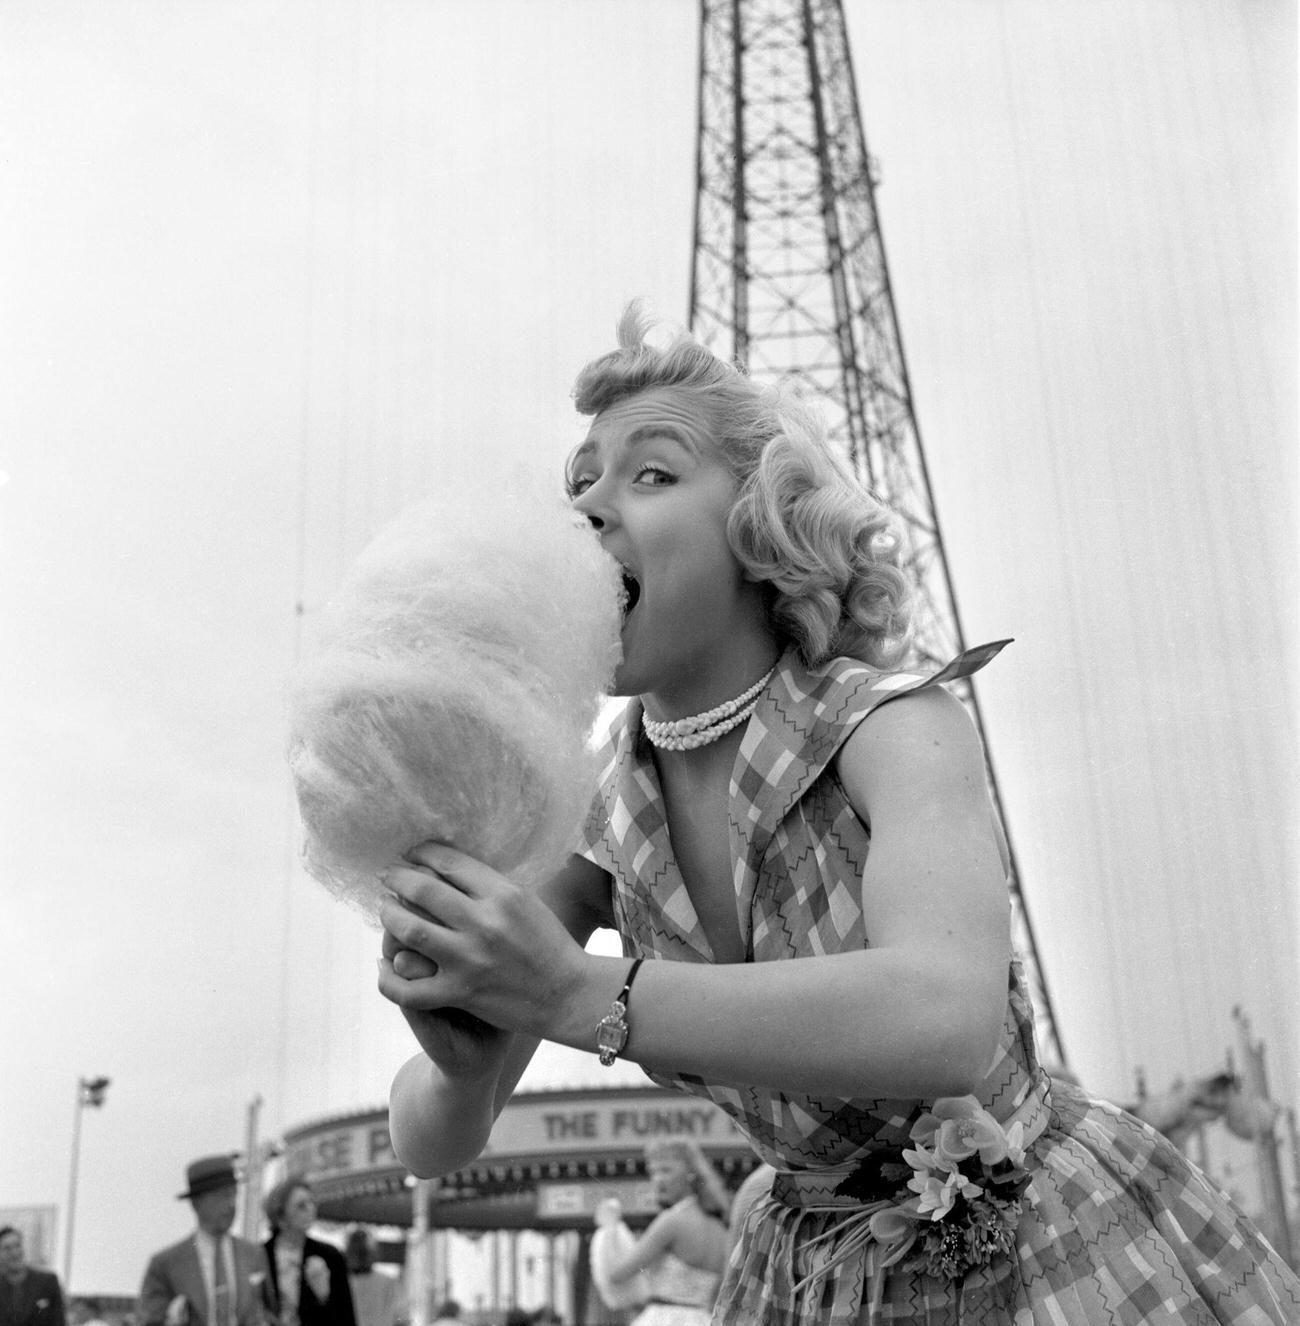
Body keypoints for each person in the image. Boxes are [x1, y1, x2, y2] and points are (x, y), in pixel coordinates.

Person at [375, 304, 1300, 1323]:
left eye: (650, 473)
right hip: (806, 1277)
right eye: (580, 481)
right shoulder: (595, 809)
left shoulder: (891, 724)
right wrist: (461, 1059)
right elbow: (428, 1141)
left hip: (1041, 1249)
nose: (591, 506)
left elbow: (944, 1017)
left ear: (759, 522)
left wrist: (565, 991)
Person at [590, 1138, 730, 1324]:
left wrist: (610, 1229)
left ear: (690, 1174)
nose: (657, 1179)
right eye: (653, 1172)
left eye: (666, 1170)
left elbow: (616, 1275)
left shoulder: (671, 1220)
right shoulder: (719, 1225)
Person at [138, 1156, 267, 1326]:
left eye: (234, 1194)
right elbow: (149, 1321)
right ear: (196, 1204)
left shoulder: (253, 1255)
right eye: (222, 1196)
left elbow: (268, 1312)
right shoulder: (165, 1264)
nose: (231, 1204)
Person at [261, 1180, 355, 1326]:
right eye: (301, 1206)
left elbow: (346, 1316)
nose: (310, 1210)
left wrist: (323, 1295)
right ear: (280, 1214)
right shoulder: (260, 1255)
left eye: (312, 1203)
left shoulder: (330, 1255)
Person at [0, 1227, 66, 1326]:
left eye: (17, 1246)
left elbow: (59, 1321)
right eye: (7, 1248)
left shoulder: (48, 1282)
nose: (14, 1253)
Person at [341, 1232, 401, 1326]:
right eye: (356, 1251)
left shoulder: (387, 1283)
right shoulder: (338, 1282)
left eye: (363, 1252)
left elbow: (401, 1318)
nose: (360, 1256)